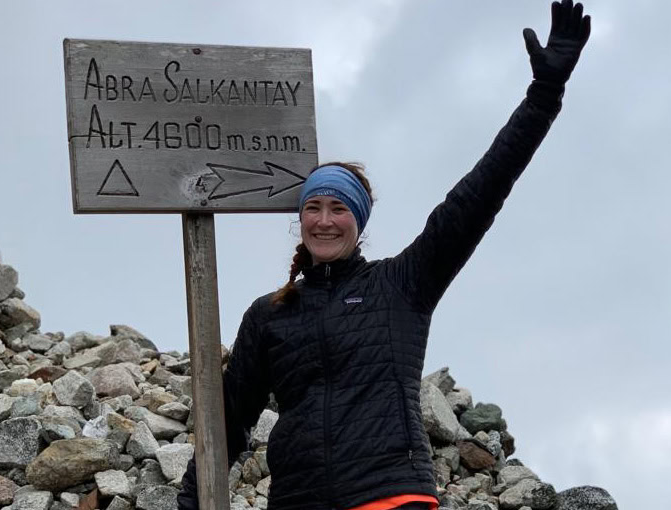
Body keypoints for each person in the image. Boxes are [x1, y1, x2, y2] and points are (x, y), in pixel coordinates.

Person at [178, 1, 591, 509]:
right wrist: (189, 501)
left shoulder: (403, 284)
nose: (325, 220)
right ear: (300, 219)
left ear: (359, 221)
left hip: (391, 496)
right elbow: (226, 420)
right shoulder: (269, 315)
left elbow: (479, 193)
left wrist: (544, 95)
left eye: (338, 208)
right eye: (314, 207)